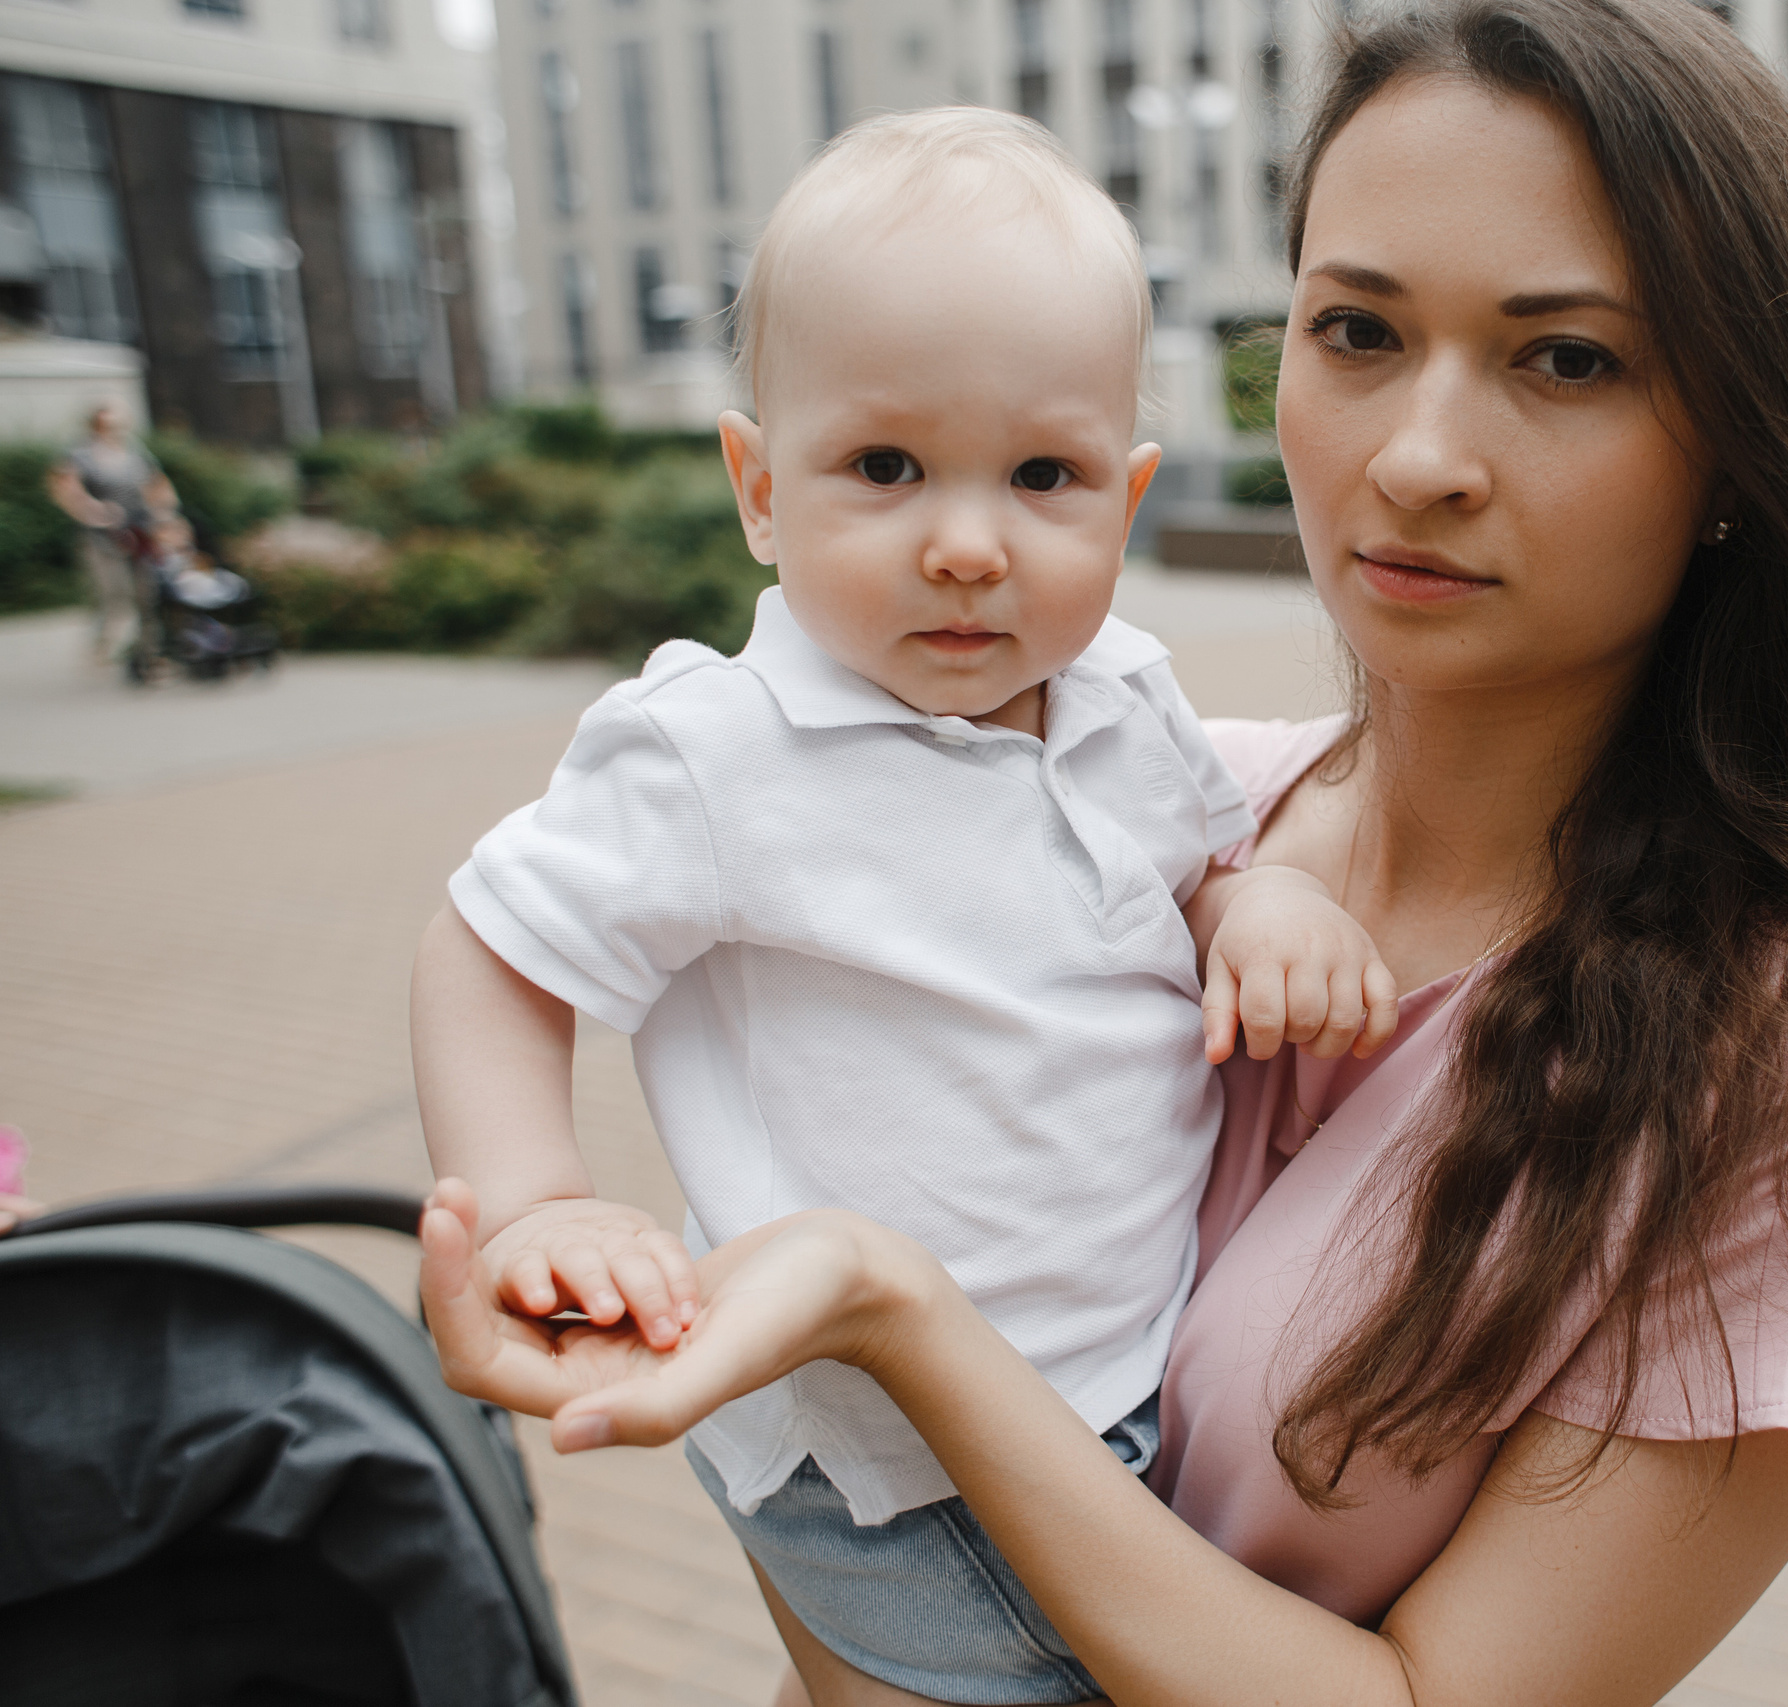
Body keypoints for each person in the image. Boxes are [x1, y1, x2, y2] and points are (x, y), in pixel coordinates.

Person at [423, 3, 1788, 1703]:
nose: (1418, 456)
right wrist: (541, 1227)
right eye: (1358, 332)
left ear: (1741, 448)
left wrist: (882, 1306)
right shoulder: (1152, 795)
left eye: (1565, 357)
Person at [409, 109, 1397, 1707]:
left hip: (1112, 1386)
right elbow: (489, 943)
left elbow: (1196, 870)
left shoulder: (1126, 698)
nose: (963, 542)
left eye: (1044, 475)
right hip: (874, 1453)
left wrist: (1261, 901)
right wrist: (532, 1199)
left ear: (1125, 499)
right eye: (883, 467)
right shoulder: (721, 750)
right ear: (757, 486)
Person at [47, 402, 176, 670]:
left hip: (138, 529)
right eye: (107, 425)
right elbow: (66, 490)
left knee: (147, 590)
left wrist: (164, 511)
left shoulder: (135, 453)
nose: (114, 430)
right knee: (114, 593)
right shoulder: (80, 454)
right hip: (101, 535)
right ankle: (103, 644)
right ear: (95, 426)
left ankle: (147, 649)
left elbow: (158, 484)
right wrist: (94, 511)